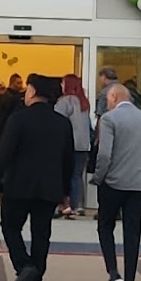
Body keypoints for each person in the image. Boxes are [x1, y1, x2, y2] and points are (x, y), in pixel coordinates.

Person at [0, 73, 73, 281]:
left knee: (10, 226)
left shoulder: (19, 119)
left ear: (32, 92)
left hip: (19, 185)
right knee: (41, 234)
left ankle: (24, 266)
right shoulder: (62, 123)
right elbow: (68, 160)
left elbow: (4, 154)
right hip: (50, 187)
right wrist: (65, 192)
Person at [92, 81, 141, 281]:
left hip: (113, 182)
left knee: (105, 226)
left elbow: (104, 155)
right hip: (138, 184)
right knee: (133, 232)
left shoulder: (109, 119)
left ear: (113, 97)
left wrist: (99, 177)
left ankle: (113, 273)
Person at [54, 74, 91, 218]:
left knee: (65, 175)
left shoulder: (65, 101)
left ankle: (65, 204)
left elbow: (57, 122)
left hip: (69, 144)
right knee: (77, 175)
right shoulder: (84, 102)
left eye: (63, 83)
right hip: (83, 144)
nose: (61, 86)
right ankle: (79, 205)